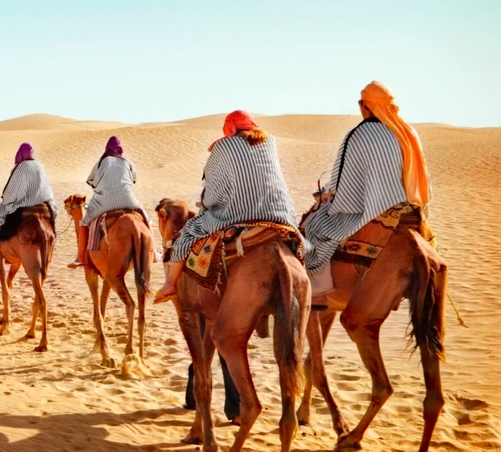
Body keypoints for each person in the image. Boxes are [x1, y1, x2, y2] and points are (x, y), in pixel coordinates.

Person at [300, 81, 430, 296]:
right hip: (412, 207)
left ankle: (315, 288)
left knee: (313, 226)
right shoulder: (409, 133)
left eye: (361, 102)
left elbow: (344, 180)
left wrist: (328, 196)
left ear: (365, 105)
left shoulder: (361, 133)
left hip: (370, 209)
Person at [157, 111, 300, 301]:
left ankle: (169, 285)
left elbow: (212, 189)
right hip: (281, 215)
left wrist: (209, 203)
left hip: (238, 216)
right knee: (307, 241)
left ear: (230, 128)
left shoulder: (224, 145)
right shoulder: (270, 141)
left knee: (189, 232)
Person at [74, 135, 144, 268]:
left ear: (107, 149)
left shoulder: (102, 162)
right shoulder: (127, 162)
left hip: (104, 201)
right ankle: (153, 252)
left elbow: (91, 182)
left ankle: (80, 257)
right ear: (120, 150)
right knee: (145, 218)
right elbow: (133, 180)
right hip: (128, 199)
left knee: (84, 223)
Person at [0, 143, 55, 244]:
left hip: (24, 203)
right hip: (44, 201)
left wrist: (6, 198)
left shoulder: (20, 166)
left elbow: (13, 188)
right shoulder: (39, 165)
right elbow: (46, 185)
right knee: (53, 213)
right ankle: (54, 241)